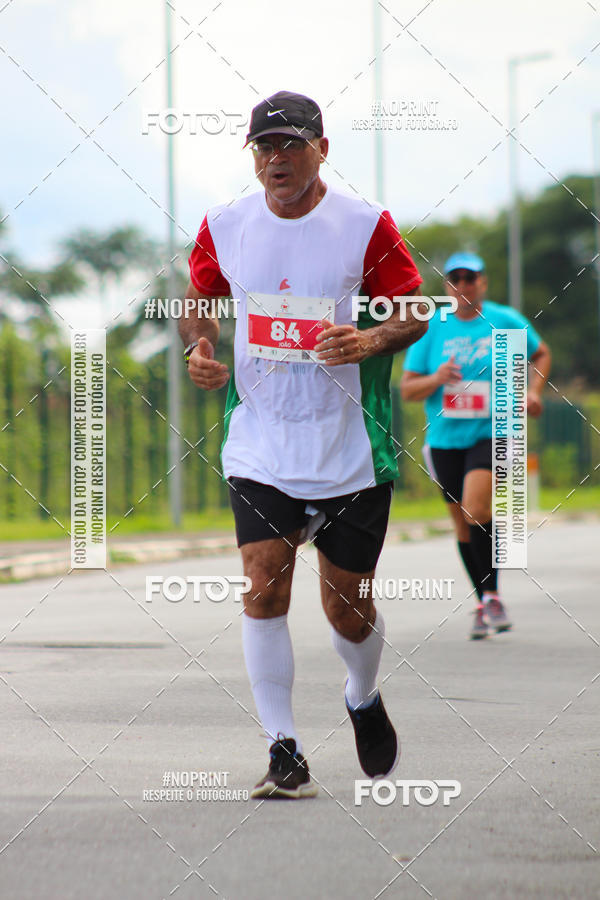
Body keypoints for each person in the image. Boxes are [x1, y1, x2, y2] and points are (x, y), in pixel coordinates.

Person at [180, 90, 426, 798]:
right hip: (260, 438)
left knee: (346, 607)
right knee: (263, 588)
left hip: (349, 442)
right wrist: (200, 343)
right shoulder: (224, 224)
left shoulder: (364, 225)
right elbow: (199, 298)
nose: (276, 159)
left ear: (322, 149)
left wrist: (370, 337)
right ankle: (283, 750)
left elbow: (413, 309)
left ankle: (361, 692)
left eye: (290, 144)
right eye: (264, 147)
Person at [401, 252, 551, 639]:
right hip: (446, 440)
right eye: (455, 279)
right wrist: (436, 377)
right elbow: (408, 389)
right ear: (446, 286)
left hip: (495, 430)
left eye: (470, 278)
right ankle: (484, 601)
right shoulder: (433, 327)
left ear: (483, 283)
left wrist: (534, 391)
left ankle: (493, 595)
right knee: (463, 523)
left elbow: (540, 353)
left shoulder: (505, 320)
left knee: (475, 506)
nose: (463, 286)